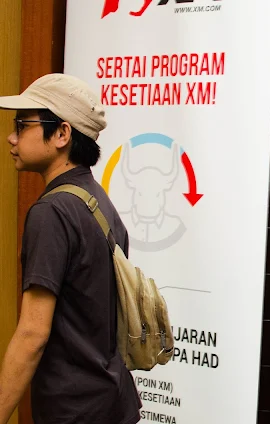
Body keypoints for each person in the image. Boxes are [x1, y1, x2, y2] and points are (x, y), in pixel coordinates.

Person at [0, 73, 141, 424]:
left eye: (23, 125)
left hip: (74, 411)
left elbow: (32, 333)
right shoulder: (97, 201)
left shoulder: (52, 212)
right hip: (112, 403)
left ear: (62, 134)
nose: (12, 137)